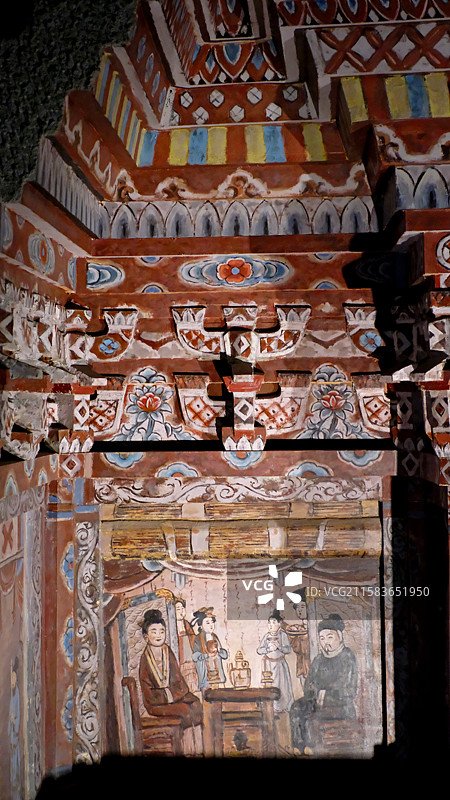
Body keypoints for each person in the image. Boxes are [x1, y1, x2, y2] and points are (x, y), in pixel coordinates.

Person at [289, 613, 358, 755]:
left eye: (330, 637)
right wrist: (315, 692)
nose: (326, 642)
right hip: (317, 700)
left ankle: (311, 747)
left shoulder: (347, 657)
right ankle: (298, 745)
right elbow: (309, 685)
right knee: (296, 707)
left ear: (340, 635)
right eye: (322, 638)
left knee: (314, 716)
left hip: (341, 705)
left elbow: (348, 689)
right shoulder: (319, 659)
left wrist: (325, 693)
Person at [138, 608, 203, 752]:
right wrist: (167, 695)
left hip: (174, 695)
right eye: (154, 631)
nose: (158, 635)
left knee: (197, 705)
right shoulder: (145, 659)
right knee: (185, 710)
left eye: (161, 631)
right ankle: (186, 749)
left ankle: (198, 747)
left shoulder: (168, 651)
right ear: (146, 636)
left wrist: (176, 693)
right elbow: (147, 690)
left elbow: (178, 679)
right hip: (156, 702)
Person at [257, 609, 294, 714]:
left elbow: (288, 649)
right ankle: (271, 707)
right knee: (270, 685)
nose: (271, 625)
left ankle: (283, 707)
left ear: (279, 624)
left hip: (280, 665)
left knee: (282, 686)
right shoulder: (266, 636)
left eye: (273, 622)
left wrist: (279, 647)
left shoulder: (283, 635)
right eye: (269, 623)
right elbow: (259, 650)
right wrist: (268, 649)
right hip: (269, 665)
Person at [192, 607, 228, 691]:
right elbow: (195, 656)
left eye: (212, 622)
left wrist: (219, 652)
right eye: (207, 623)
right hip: (205, 675)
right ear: (201, 625)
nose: (211, 625)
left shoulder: (214, 637)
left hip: (217, 673)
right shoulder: (198, 638)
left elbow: (224, 655)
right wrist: (207, 655)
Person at [283, 590, 310, 689]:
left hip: (312, 668)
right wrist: (292, 636)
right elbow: (296, 648)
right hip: (302, 667)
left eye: (302, 607)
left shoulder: (314, 627)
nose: (299, 610)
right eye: (297, 607)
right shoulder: (299, 628)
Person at [174, 597, 198, 692]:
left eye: (182, 608)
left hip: (189, 656)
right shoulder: (172, 625)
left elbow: (193, 638)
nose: (181, 611)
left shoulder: (186, 623)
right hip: (180, 657)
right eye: (178, 609)